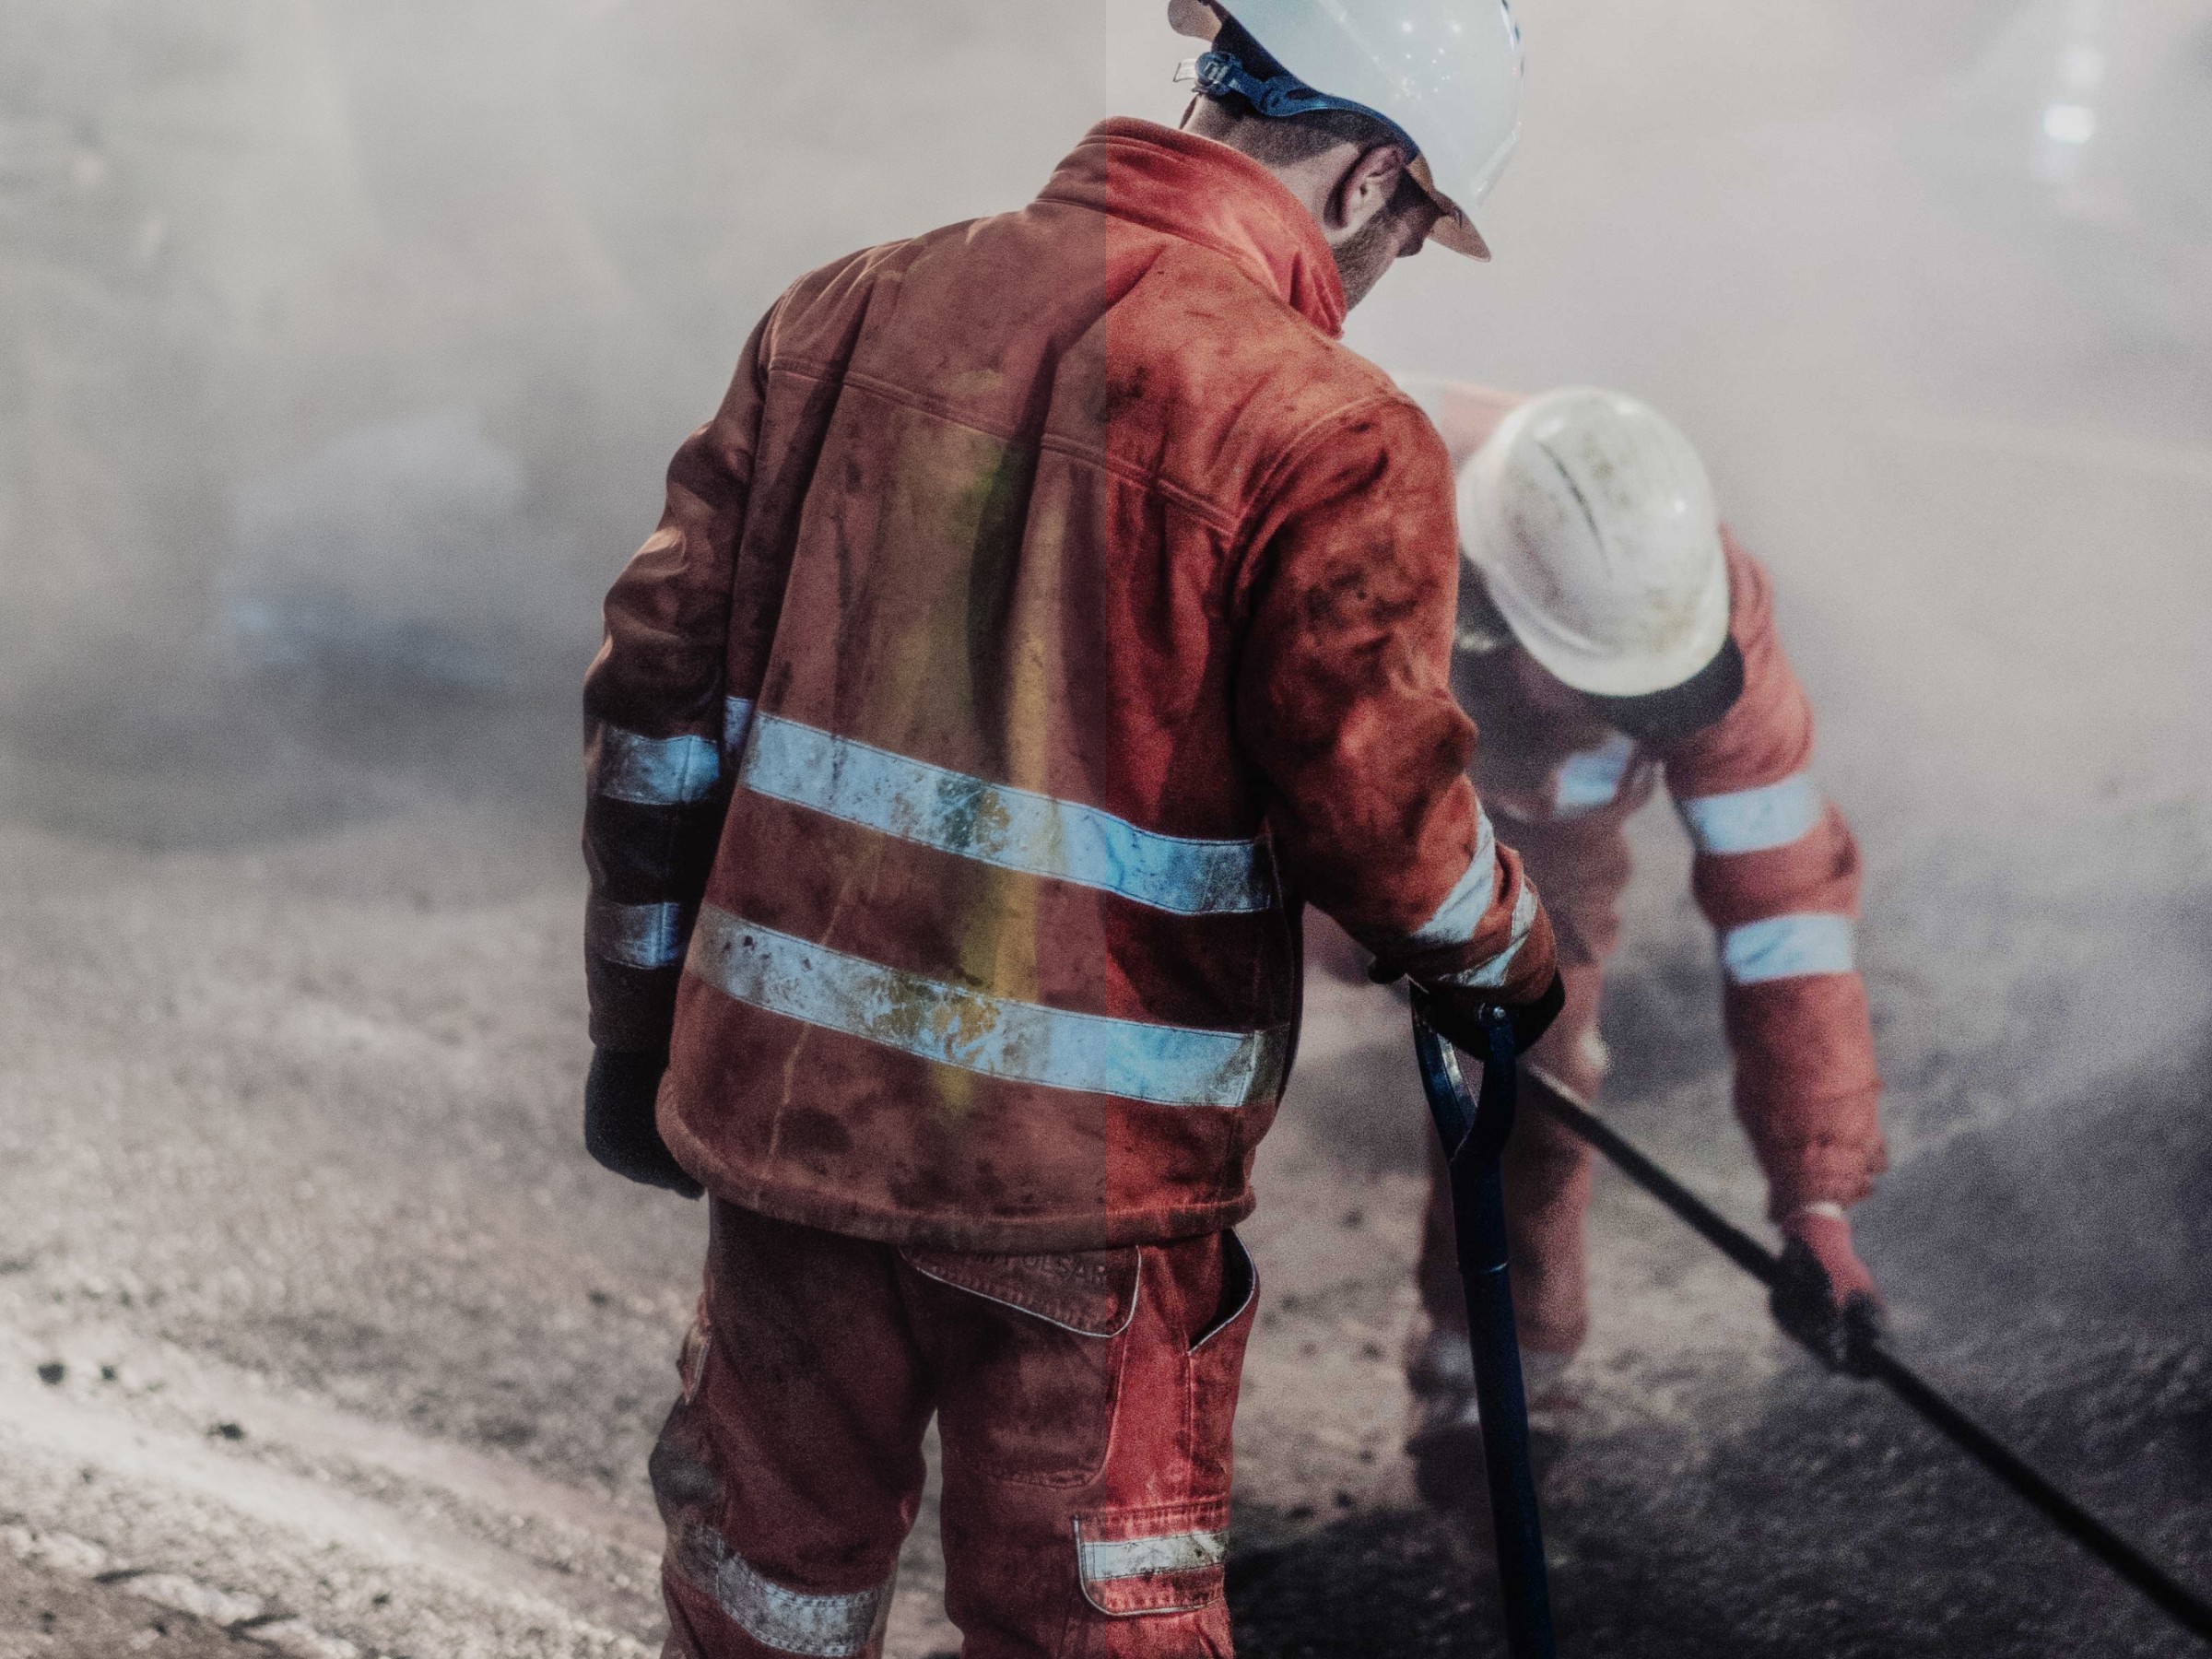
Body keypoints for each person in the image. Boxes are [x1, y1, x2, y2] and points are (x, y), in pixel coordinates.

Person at [577, 5, 1558, 1653]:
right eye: (1408, 228)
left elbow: (656, 698)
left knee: (764, 1600)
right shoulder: (1329, 428)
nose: (1387, 267)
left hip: (790, 1127)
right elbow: (1377, 813)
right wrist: (1506, 954)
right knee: (1095, 1631)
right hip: (1080, 1189)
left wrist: (635, 1031)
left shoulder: (851, 307)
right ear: (1373, 176)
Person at [1380, 381, 1889, 1507]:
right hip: (1295, 789)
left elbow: (1787, 916)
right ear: (1490, 615)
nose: (1640, 710)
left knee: (1534, 1086)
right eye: (1601, 681)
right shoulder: (1346, 513)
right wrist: (1337, 887)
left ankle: (1494, 1387)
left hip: (1537, 841)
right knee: (1184, 1076)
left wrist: (1815, 1199)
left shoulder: (1700, 618)